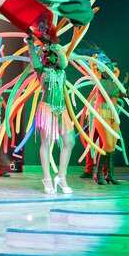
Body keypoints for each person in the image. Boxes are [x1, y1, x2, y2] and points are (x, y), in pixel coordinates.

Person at [26, 31, 76, 195]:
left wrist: (54, 46)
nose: (46, 56)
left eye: (50, 54)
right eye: (44, 54)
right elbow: (34, 58)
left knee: (70, 141)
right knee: (46, 143)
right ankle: (47, 179)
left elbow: (64, 61)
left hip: (61, 110)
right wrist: (31, 44)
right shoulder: (41, 70)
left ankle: (61, 177)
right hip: (47, 108)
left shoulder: (62, 69)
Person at [92, 57, 129, 185]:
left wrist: (128, 83)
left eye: (111, 68)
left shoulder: (114, 83)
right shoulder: (100, 82)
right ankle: (98, 174)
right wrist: (122, 82)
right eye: (108, 68)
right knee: (107, 144)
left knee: (113, 145)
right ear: (102, 70)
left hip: (114, 115)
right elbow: (110, 94)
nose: (111, 70)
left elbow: (127, 95)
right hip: (102, 113)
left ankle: (110, 174)